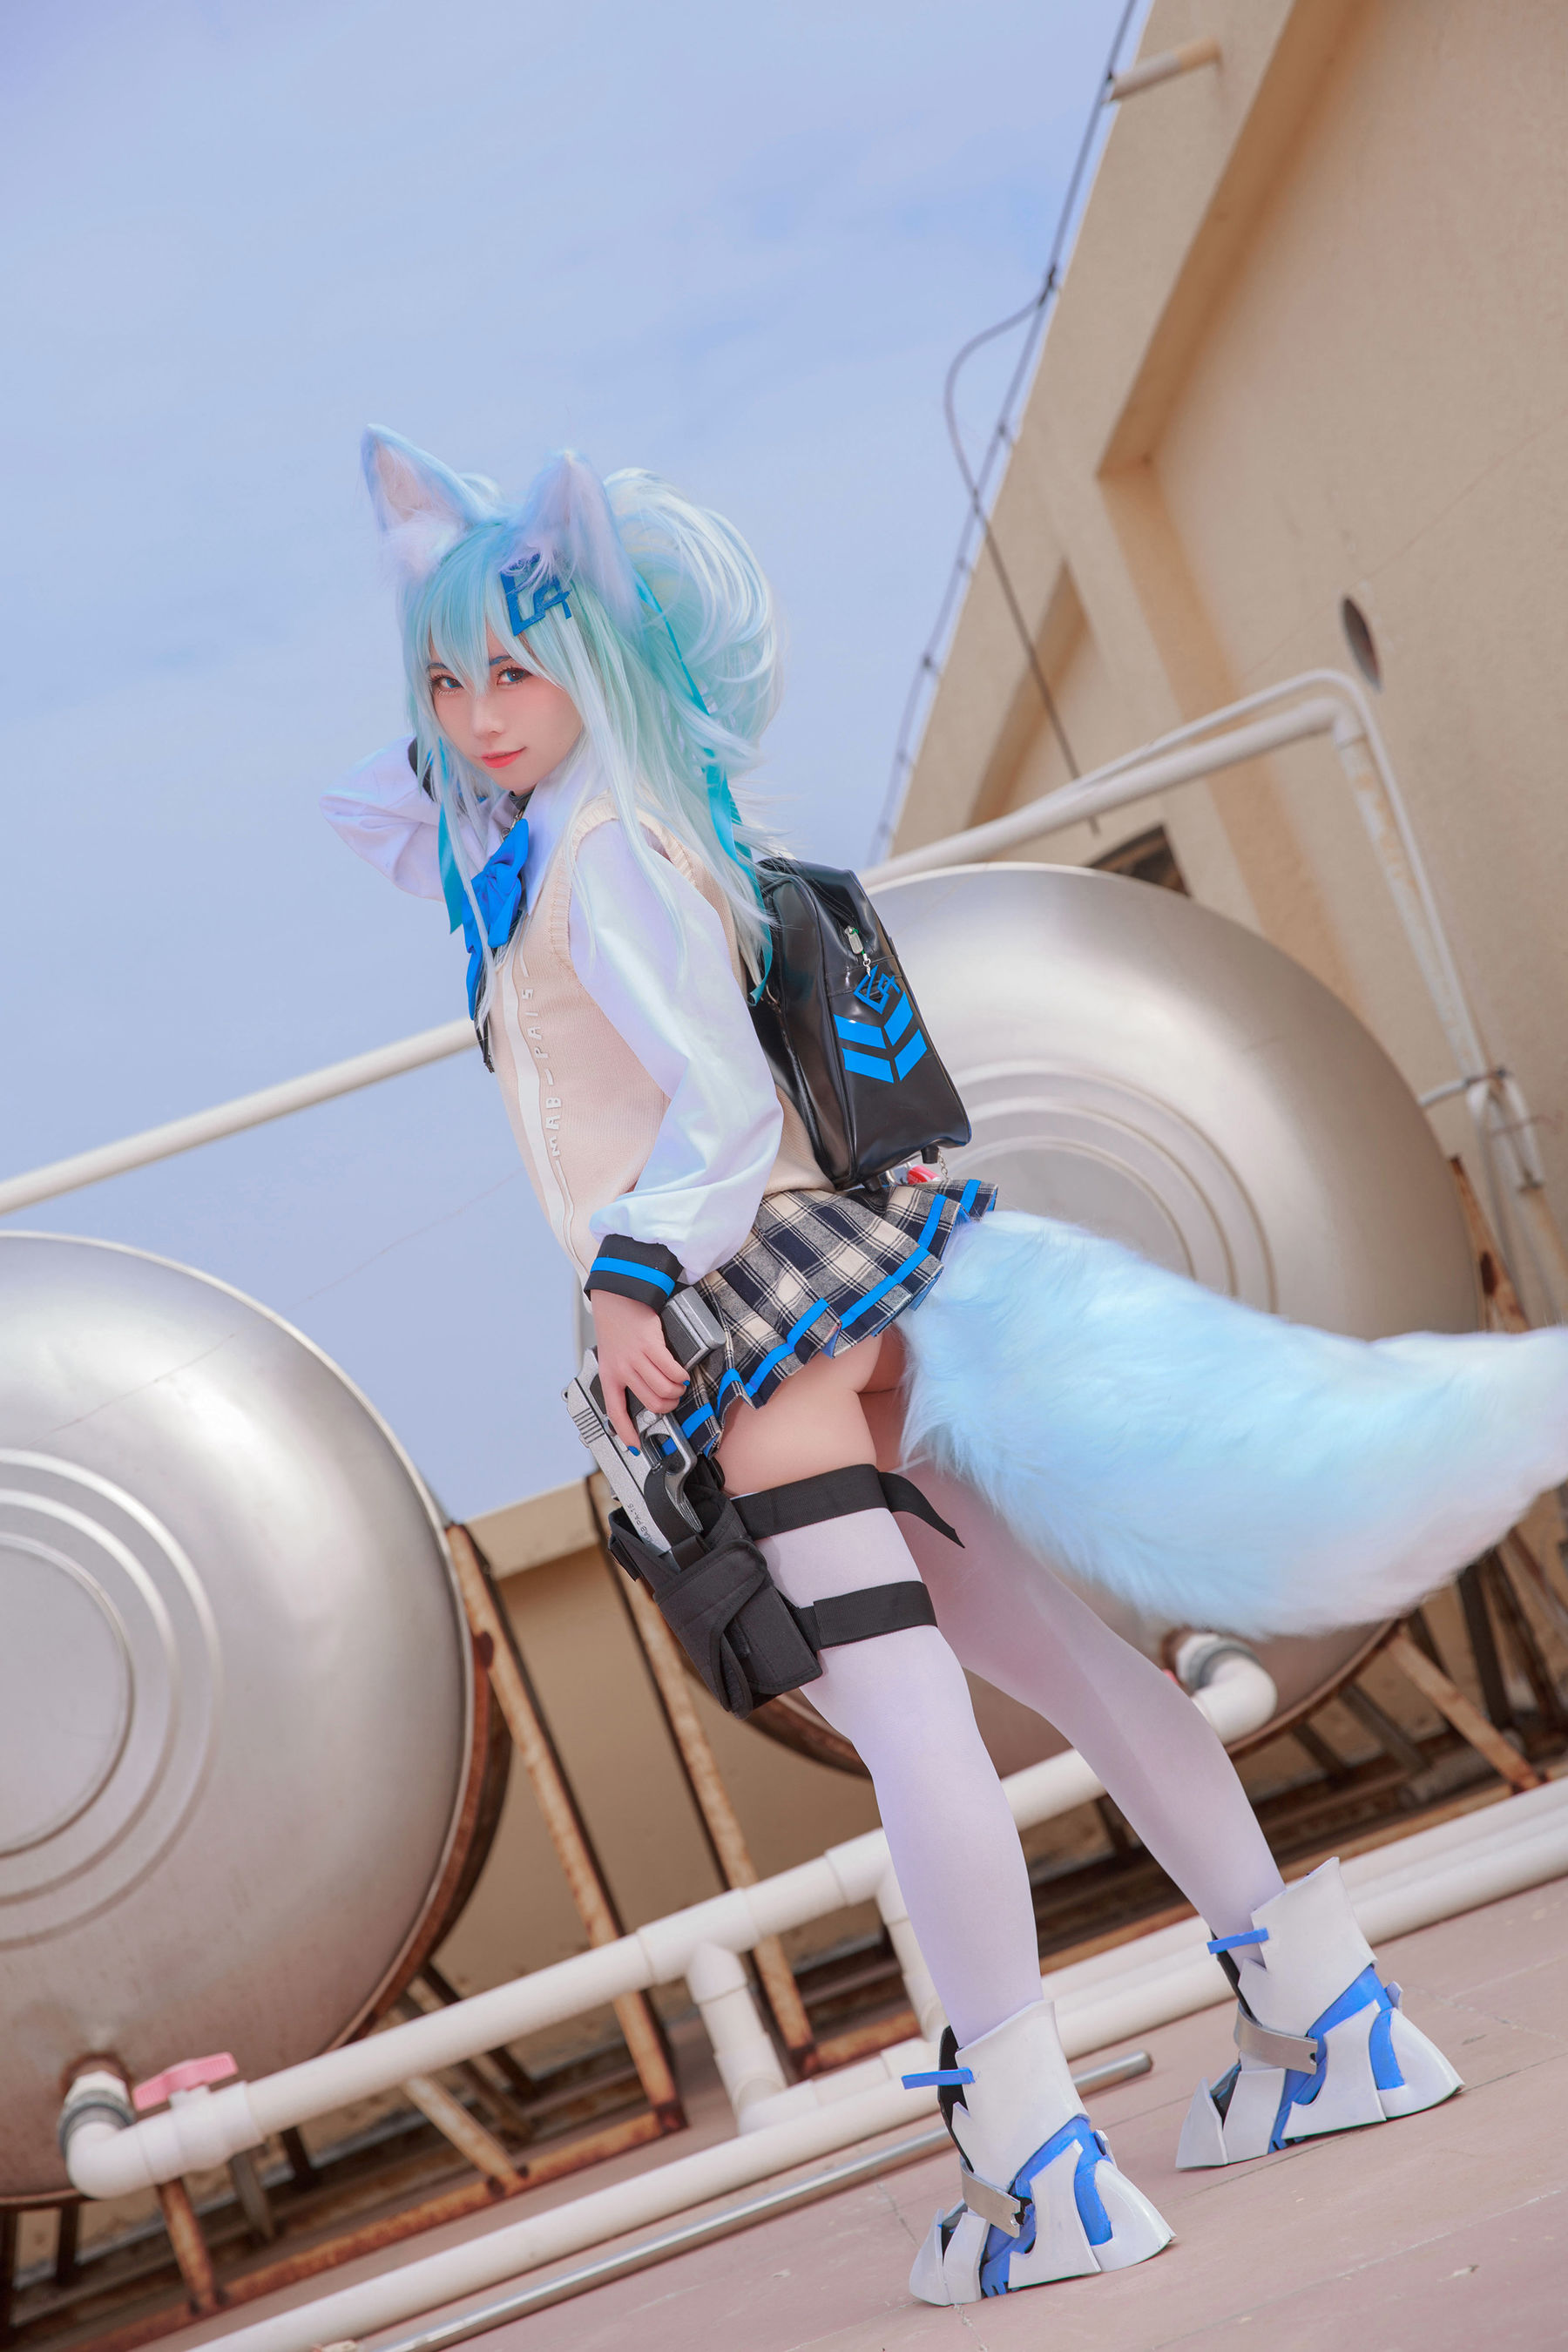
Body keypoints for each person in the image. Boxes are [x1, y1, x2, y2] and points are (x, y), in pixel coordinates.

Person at [325, 427, 1568, 2308]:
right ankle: (1327, 2017)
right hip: (855, 1302)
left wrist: (633, 1279)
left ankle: (1032, 2165)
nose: (475, 711)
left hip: (755, 1327)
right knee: (1064, 1666)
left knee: (915, 1729)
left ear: (592, 662)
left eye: (512, 668)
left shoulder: (607, 859)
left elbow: (719, 1101)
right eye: (443, 679)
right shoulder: (599, 838)